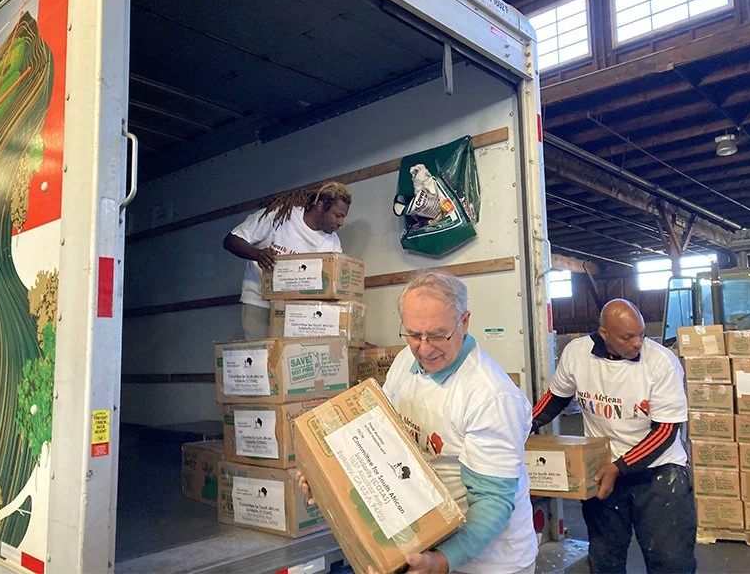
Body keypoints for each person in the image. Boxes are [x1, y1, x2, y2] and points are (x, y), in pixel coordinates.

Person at [298, 271, 538, 574]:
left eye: (437, 335)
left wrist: (441, 561)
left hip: (488, 563)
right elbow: (376, 437)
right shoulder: (405, 363)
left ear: (464, 322)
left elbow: (492, 501)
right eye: (413, 335)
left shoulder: (492, 397)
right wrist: (326, 476)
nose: (424, 349)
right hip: (426, 544)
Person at [532, 299, 695, 574]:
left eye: (641, 334)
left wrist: (619, 468)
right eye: (627, 337)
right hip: (603, 470)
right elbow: (555, 398)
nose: (638, 343)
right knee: (605, 559)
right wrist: (522, 425)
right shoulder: (577, 353)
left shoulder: (661, 363)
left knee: (670, 563)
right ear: (604, 334)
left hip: (658, 474)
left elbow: (666, 431)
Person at [223, 182, 351, 340]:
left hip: (297, 311)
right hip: (259, 300)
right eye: (337, 215)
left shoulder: (333, 242)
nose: (341, 223)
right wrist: (258, 254)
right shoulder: (280, 216)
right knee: (262, 356)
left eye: (343, 217)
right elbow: (231, 240)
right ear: (320, 206)